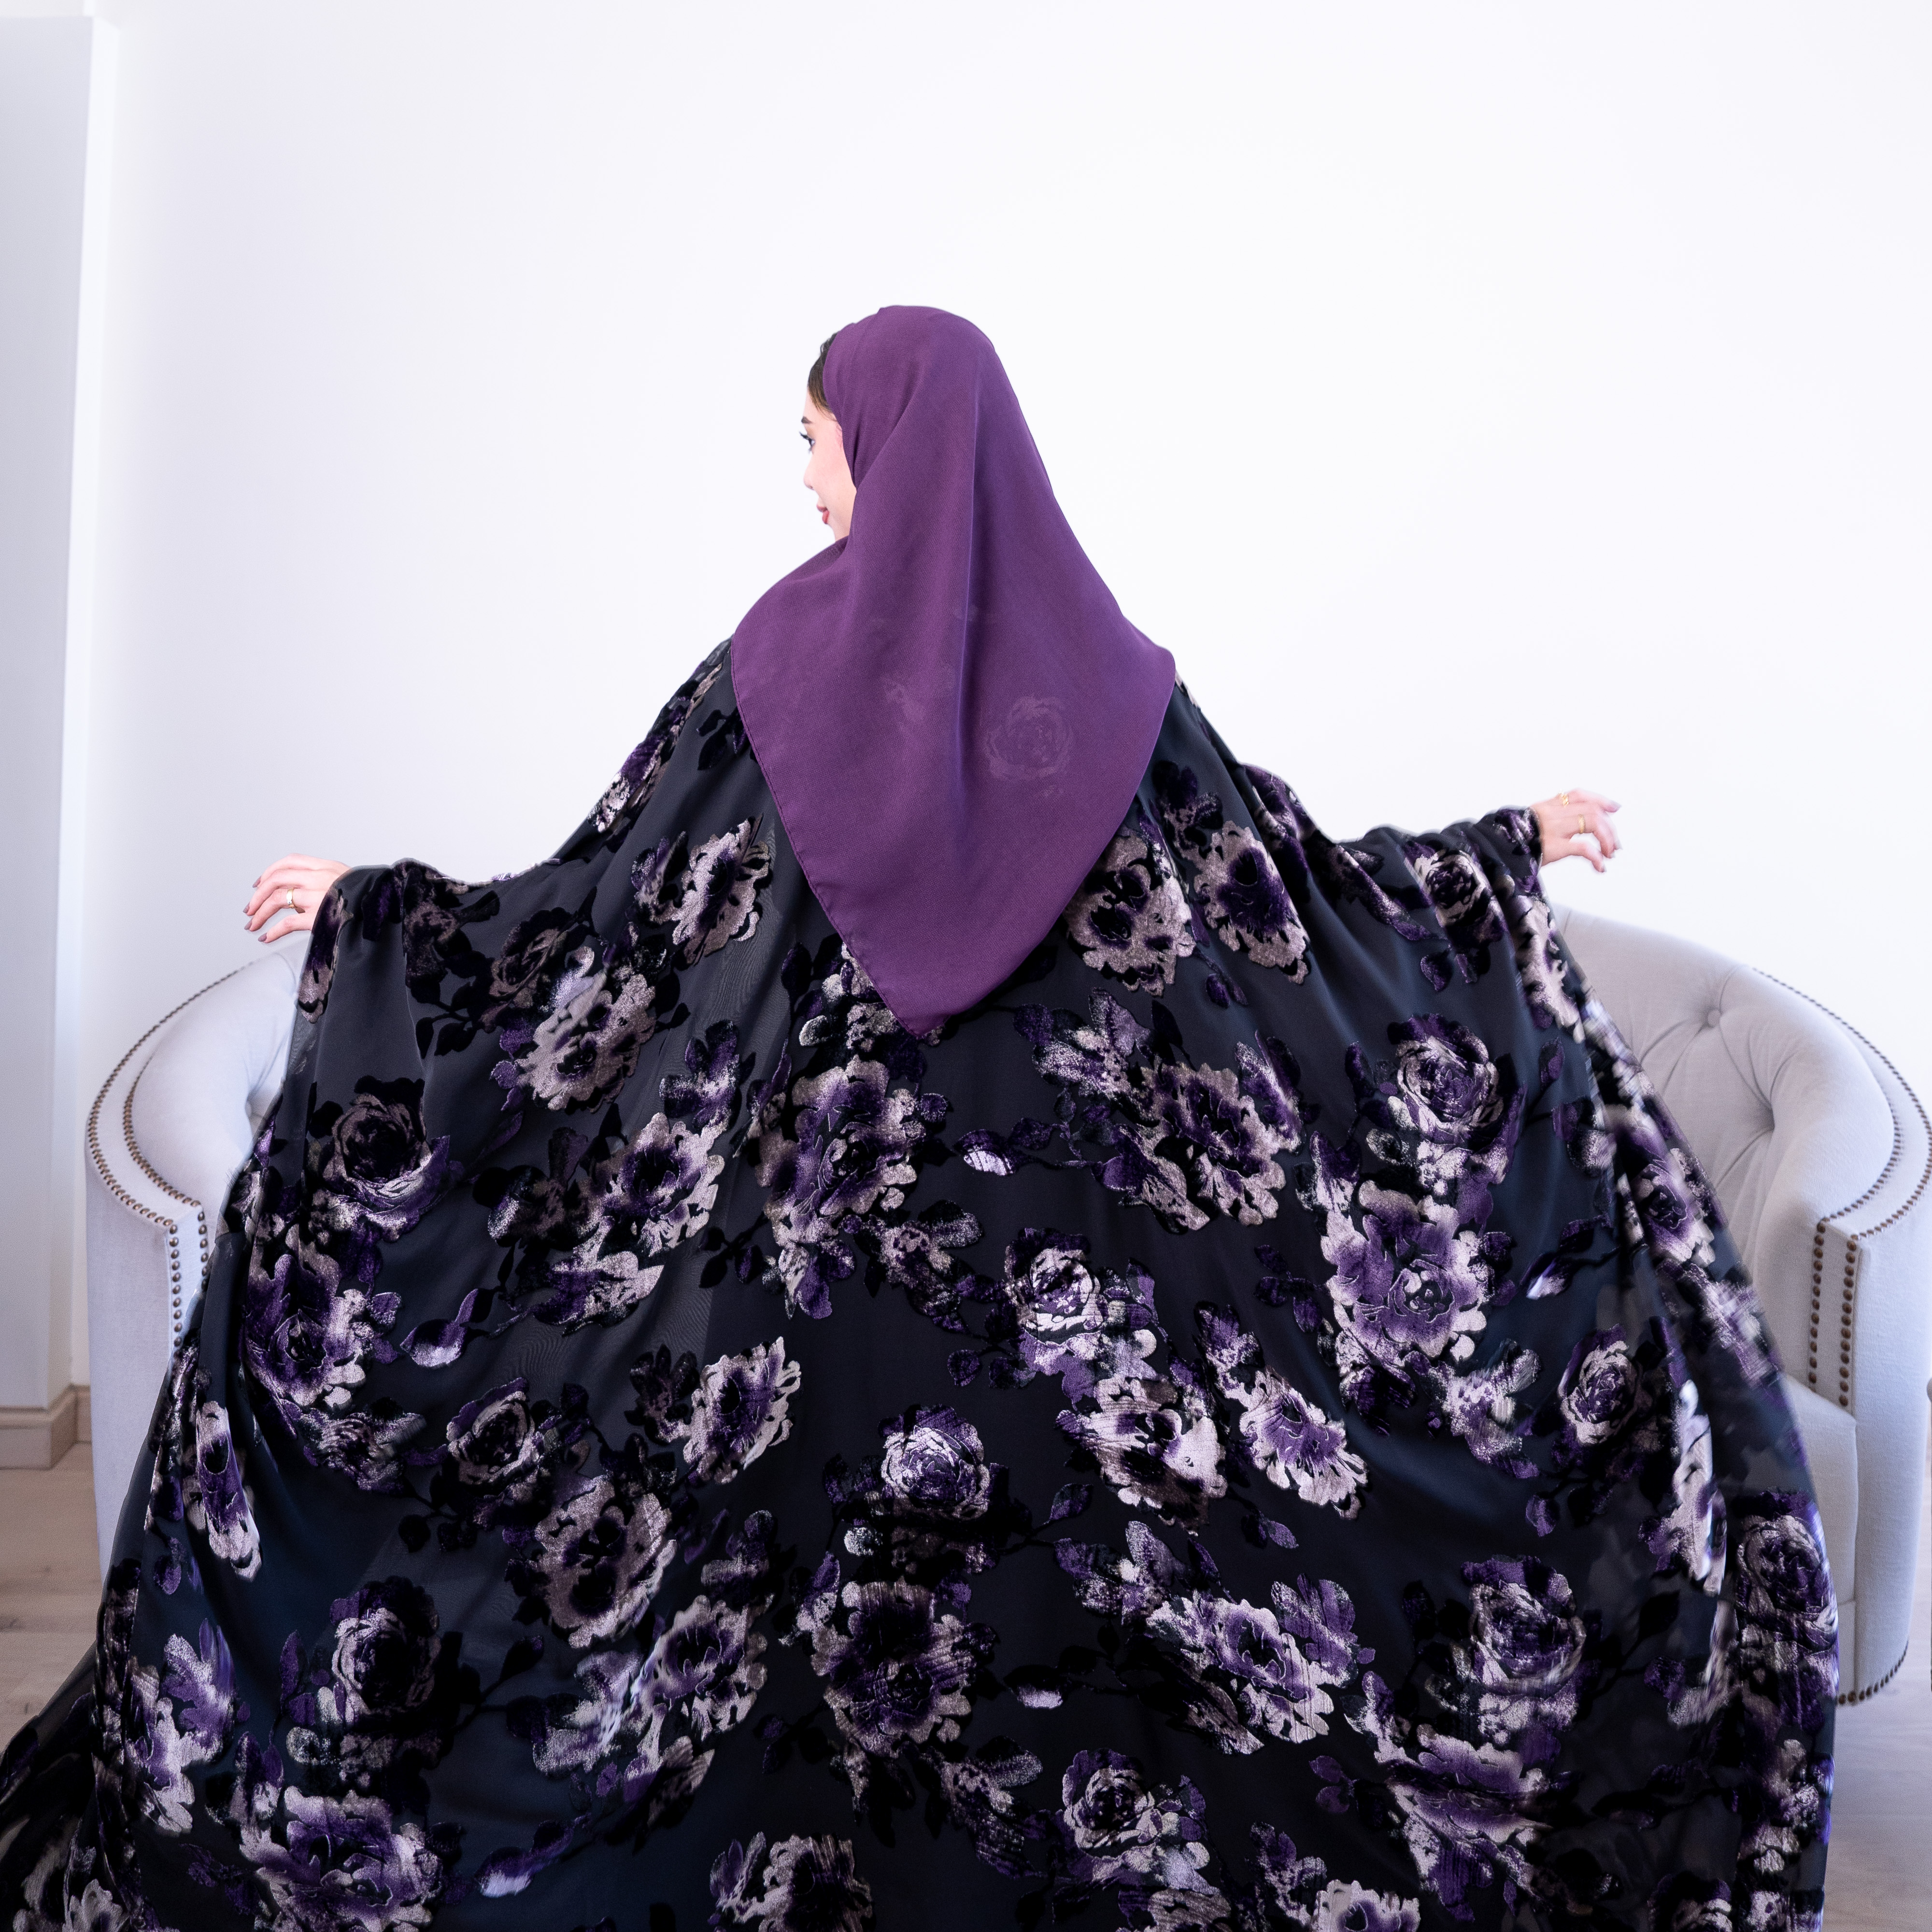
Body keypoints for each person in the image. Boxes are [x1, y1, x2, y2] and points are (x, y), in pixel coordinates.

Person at [0, 308, 1832, 1932]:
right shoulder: (1109, 689)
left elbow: (607, 934)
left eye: (814, 440)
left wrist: (393, 924)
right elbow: (1274, 910)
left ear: (891, 444)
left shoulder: (781, 673)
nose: (807, 482)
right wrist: (1479, 871)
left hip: (803, 1331)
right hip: (1069, 1347)